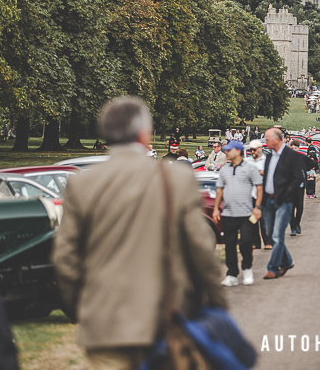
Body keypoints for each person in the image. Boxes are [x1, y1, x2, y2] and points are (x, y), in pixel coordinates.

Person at [53, 96, 226, 368]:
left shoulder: (82, 184)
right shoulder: (176, 179)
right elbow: (202, 251)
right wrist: (217, 305)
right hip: (165, 320)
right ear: (145, 134)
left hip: (104, 325)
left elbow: (65, 258)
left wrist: (82, 307)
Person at [213, 140, 263, 287]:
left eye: (229, 150)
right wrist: (216, 208)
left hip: (246, 212)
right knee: (229, 244)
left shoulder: (249, 168)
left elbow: (259, 187)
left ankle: (247, 268)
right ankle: (232, 273)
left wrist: (258, 207)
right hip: (228, 213)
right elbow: (219, 189)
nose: (226, 152)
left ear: (238, 151)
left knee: (246, 242)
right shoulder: (224, 169)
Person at [262, 127, 307, 280]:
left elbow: (298, 179)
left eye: (267, 139)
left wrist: (286, 193)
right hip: (268, 200)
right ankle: (287, 261)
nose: (265, 142)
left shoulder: (291, 156)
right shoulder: (269, 156)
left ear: (277, 139)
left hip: (283, 201)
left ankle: (273, 268)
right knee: (270, 234)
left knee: (277, 235)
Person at [288, 137, 308, 236]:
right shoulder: (286, 159)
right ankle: (293, 227)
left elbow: (312, 163)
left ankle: (297, 223)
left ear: (298, 148)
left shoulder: (302, 157)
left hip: (300, 185)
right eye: (292, 148)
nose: (294, 149)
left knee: (299, 207)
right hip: (289, 186)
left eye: (295, 147)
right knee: (290, 208)